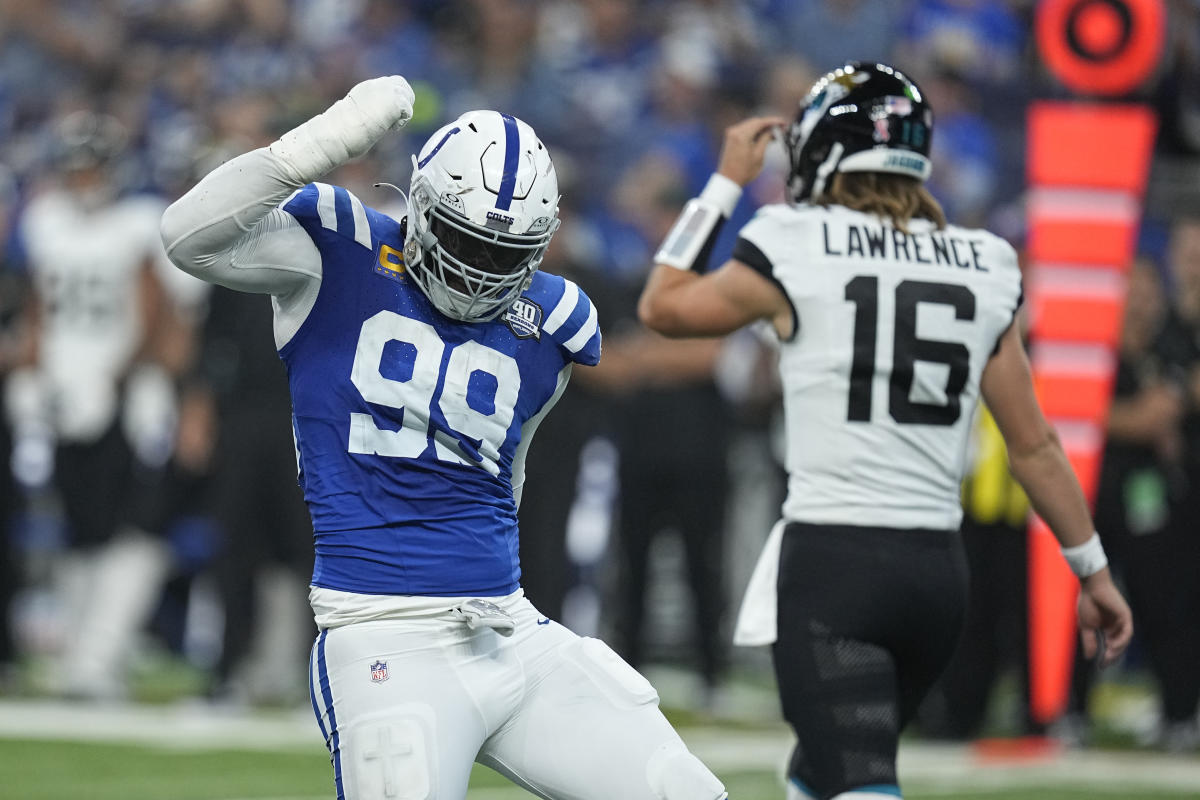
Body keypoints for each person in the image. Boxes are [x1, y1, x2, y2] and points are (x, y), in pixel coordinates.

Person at [161, 76, 727, 800]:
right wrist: (320, 142)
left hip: (511, 629)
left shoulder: (555, 319)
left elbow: (506, 473)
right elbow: (187, 235)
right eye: (464, 241)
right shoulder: (339, 248)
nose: (478, 266)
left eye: (503, 251)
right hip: (385, 636)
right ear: (422, 206)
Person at [637, 62, 1134, 800]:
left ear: (821, 151)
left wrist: (725, 183)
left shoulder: (795, 241)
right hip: (937, 577)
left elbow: (662, 304)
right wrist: (1091, 570)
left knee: (857, 779)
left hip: (835, 568)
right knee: (823, 769)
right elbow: (1035, 445)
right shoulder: (984, 262)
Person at [16, 110, 203, 700]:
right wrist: (40, 371)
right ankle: (82, 655)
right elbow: (39, 308)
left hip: (128, 397)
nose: (83, 178)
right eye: (74, 167)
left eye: (91, 165)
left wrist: (118, 377)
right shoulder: (47, 220)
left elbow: (157, 313)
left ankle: (99, 655)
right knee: (79, 529)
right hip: (67, 395)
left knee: (133, 526)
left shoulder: (139, 222)